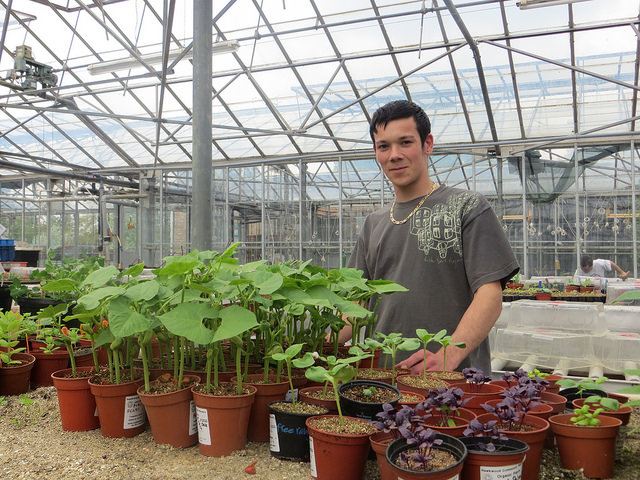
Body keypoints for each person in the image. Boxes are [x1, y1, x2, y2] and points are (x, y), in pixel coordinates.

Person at [340, 100, 519, 376]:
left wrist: (448, 355)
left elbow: (490, 294)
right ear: (376, 151)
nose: (394, 155)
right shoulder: (373, 223)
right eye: (384, 146)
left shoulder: (467, 207)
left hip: (452, 384)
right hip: (382, 381)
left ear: (428, 144)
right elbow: (357, 304)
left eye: (405, 142)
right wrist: (312, 346)